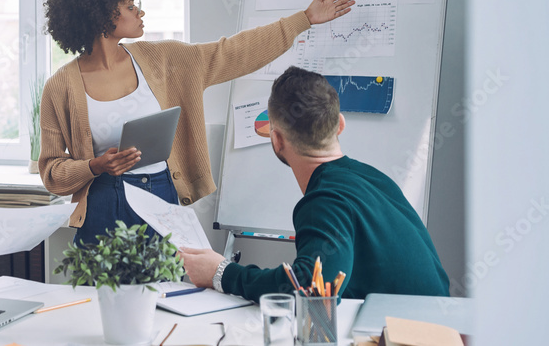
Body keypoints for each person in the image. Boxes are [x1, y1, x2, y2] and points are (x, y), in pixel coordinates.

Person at [39, 0, 356, 246]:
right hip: (102, 205)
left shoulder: (163, 58)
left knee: (168, 294)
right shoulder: (60, 87)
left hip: (161, 194)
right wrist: (94, 165)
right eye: (130, 5)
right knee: (103, 302)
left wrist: (303, 20)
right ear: (103, 15)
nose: (140, 11)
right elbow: (51, 171)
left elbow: (233, 53)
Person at [180, 67, 450, 301]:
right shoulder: (375, 178)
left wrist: (223, 273)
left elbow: (311, 291)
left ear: (277, 140)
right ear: (340, 125)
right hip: (434, 324)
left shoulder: (325, 201)